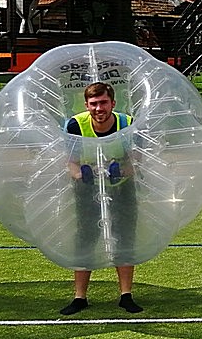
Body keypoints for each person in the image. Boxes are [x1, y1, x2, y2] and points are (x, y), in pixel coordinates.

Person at [59, 81, 142, 315]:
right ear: (86, 105)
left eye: (103, 102)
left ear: (113, 103)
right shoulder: (75, 125)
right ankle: (79, 297)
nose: (98, 108)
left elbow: (136, 160)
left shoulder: (127, 123)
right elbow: (70, 162)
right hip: (87, 189)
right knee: (85, 238)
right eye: (93, 104)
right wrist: (81, 174)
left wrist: (120, 172)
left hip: (122, 188)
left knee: (124, 238)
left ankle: (126, 295)